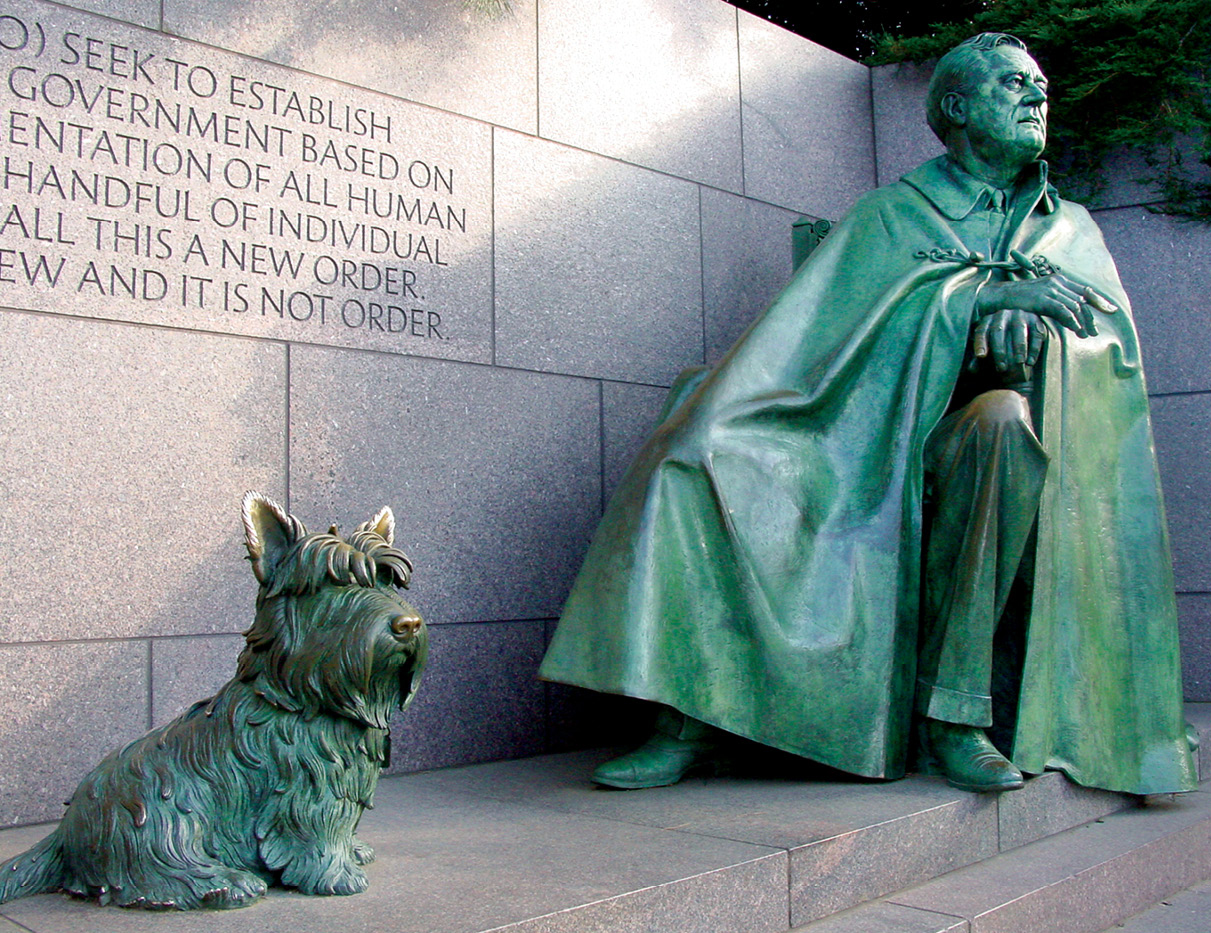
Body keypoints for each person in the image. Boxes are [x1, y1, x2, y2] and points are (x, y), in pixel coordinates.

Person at [539, 33, 1196, 796]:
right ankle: (691, 711)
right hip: (860, 437)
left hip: (972, 441)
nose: (1035, 97)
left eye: (1039, 87)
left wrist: (1036, 344)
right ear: (954, 107)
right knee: (701, 443)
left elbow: (1107, 349)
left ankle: (953, 715)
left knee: (1001, 425)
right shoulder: (893, 213)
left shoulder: (1069, 227)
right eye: (1013, 84)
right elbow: (813, 341)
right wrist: (972, 299)